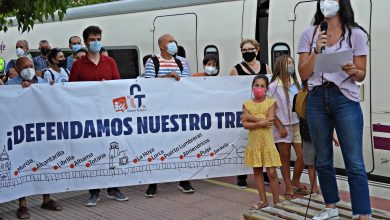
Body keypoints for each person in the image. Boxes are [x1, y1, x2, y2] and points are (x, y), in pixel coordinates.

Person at [297, 0, 371, 219]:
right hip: (317, 98)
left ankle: (362, 213)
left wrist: (352, 70)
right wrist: (315, 51)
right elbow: (303, 73)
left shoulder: (356, 34)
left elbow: (362, 74)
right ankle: (331, 207)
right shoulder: (310, 34)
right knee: (323, 158)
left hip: (344, 99)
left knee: (354, 161)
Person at [69, 25, 128, 206]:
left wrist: (107, 86)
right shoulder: (78, 65)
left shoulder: (109, 62)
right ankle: (94, 191)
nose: (96, 42)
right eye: (92, 39)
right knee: (93, 152)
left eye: (98, 39)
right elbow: (71, 90)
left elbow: (117, 86)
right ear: (85, 42)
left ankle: (113, 188)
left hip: (109, 116)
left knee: (112, 150)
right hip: (88, 116)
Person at [5, 57, 63, 219]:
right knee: (20, 166)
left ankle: (47, 199)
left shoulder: (43, 83)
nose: (29, 69)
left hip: (41, 132)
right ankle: (22, 206)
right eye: (25, 67)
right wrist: (20, 89)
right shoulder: (10, 85)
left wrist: (50, 90)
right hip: (21, 134)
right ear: (17, 69)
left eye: (31, 66)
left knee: (44, 163)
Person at [143, 34, 193, 198]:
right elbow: (149, 86)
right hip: (159, 112)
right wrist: (167, 77)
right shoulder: (153, 62)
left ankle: (183, 179)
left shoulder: (181, 62)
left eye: (174, 41)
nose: (174, 44)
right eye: (170, 42)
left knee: (181, 144)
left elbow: (187, 85)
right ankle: (153, 182)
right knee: (158, 146)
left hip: (178, 111)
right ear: (162, 46)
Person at [231, 39, 273, 188]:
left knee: (264, 143)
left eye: (250, 49)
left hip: (262, 109)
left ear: (257, 50)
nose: (247, 52)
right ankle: (241, 176)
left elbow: (270, 87)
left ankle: (267, 174)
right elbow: (231, 91)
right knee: (243, 143)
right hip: (246, 110)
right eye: (244, 50)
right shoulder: (236, 69)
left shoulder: (265, 67)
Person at [268, 55, 308, 200]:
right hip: (282, 127)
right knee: (284, 158)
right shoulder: (272, 87)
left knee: (303, 156)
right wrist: (279, 127)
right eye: (287, 63)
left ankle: (295, 180)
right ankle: (289, 187)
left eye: (291, 62)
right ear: (280, 66)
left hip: (297, 124)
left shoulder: (296, 85)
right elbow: (269, 109)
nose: (290, 65)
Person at [242, 74, 281, 209]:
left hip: (267, 141)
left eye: (262, 86)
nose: (259, 88)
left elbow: (270, 121)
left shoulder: (270, 102)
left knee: (271, 172)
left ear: (266, 88)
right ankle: (263, 200)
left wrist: (250, 117)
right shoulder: (247, 104)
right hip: (254, 142)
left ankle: (276, 202)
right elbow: (245, 125)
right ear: (252, 87)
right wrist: (260, 121)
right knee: (257, 171)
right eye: (256, 85)